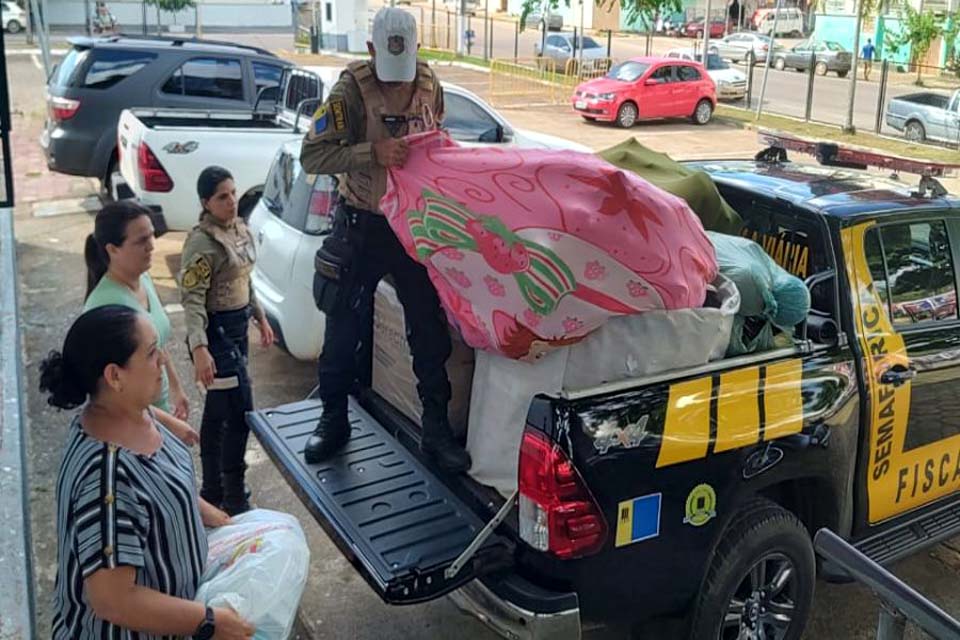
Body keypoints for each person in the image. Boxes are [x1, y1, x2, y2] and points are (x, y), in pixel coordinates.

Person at [300, 6, 471, 472]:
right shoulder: (350, 92)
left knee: (429, 332)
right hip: (362, 223)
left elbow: (437, 134)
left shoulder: (430, 84)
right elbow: (312, 155)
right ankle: (333, 420)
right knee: (342, 328)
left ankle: (435, 431)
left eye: (406, 66)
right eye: (388, 66)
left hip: (412, 225)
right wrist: (371, 152)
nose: (398, 81)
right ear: (371, 50)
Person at [42, 305, 254, 639]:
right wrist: (211, 622)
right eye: (152, 353)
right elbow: (114, 601)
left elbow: (161, 484)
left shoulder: (129, 412)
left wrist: (207, 512)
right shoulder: (108, 478)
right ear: (115, 376)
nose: (164, 360)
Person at [179, 166, 274, 515]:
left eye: (233, 193)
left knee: (223, 411)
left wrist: (260, 317)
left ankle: (220, 491)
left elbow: (245, 280)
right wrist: (199, 348)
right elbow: (192, 298)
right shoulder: (202, 243)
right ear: (206, 202)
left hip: (236, 330)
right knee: (236, 410)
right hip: (216, 335)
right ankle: (227, 492)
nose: (232, 201)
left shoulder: (238, 230)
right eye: (222, 196)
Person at [84, 201, 190, 421]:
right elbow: (110, 393)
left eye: (151, 236)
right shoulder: (105, 306)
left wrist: (176, 388)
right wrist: (168, 423)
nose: (151, 246)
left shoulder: (143, 278)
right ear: (112, 249)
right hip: (133, 422)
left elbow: (157, 344)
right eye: (141, 241)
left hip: (159, 411)